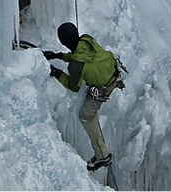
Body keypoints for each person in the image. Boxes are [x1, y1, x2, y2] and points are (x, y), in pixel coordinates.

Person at [44, 22, 124, 171]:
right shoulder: (87, 39)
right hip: (114, 72)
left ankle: (102, 156)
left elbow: (74, 86)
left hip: (105, 87)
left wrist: (56, 72)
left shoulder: (75, 65)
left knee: (86, 116)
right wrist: (59, 56)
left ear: (62, 42)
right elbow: (81, 55)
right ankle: (101, 153)